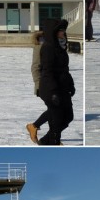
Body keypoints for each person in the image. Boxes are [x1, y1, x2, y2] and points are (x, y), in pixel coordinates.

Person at [38, 18, 75, 146]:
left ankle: (45, 140)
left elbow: (65, 69)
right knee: (57, 119)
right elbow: (47, 71)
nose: (63, 33)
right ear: (53, 32)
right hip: (51, 89)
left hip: (63, 87)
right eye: (60, 30)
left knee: (68, 116)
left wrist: (71, 85)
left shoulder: (61, 46)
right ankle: (53, 142)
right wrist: (53, 92)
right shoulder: (48, 48)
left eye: (64, 31)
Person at [26, 30, 49, 144]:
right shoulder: (39, 48)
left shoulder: (56, 47)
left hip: (58, 84)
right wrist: (39, 85)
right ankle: (52, 137)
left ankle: (35, 127)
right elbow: (35, 67)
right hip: (45, 85)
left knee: (60, 112)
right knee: (55, 111)